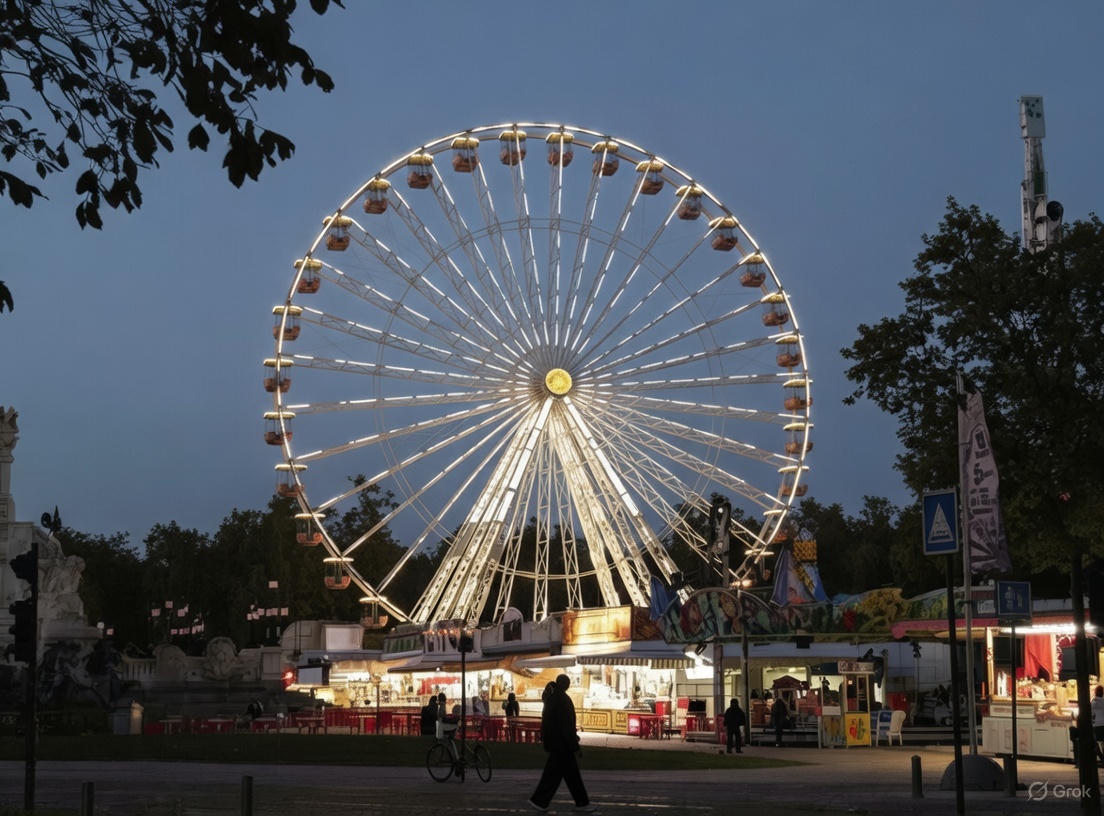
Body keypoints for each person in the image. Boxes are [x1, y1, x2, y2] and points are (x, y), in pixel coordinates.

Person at [528, 674, 593, 813]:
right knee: (566, 775)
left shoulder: (552, 698)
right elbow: (565, 726)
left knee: (559, 775)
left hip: (555, 743)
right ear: (565, 684)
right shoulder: (562, 700)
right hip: (562, 745)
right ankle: (580, 803)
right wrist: (574, 746)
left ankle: (540, 801)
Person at [1092, 685, 1104, 762]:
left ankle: (1102, 757)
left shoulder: (1093, 702)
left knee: (1095, 742)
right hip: (1103, 724)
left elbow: (1091, 714)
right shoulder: (1103, 702)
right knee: (1102, 742)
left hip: (1096, 725)